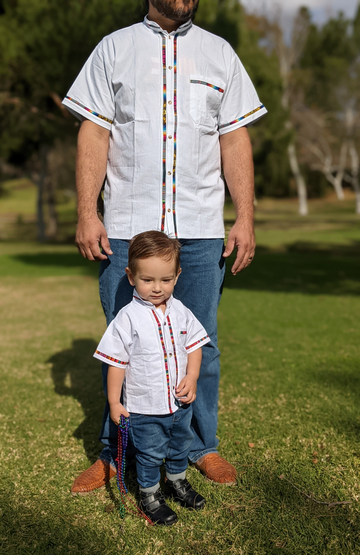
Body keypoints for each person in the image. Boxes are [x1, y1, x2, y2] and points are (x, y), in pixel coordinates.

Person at [62, 0, 267, 494]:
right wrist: (88, 212)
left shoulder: (219, 53)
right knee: (125, 346)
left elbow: (234, 138)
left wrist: (246, 216)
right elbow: (94, 130)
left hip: (200, 230)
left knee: (201, 344)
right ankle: (116, 452)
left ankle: (200, 447)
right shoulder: (114, 49)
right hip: (130, 229)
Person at [94, 230, 208, 525]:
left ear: (177, 275)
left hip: (180, 403)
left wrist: (192, 376)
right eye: (148, 280)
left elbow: (194, 345)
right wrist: (114, 402)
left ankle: (176, 481)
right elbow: (116, 363)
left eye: (166, 280)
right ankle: (150, 494)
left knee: (180, 445)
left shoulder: (181, 311)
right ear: (131, 276)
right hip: (144, 407)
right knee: (149, 454)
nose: (157, 288)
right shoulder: (127, 318)